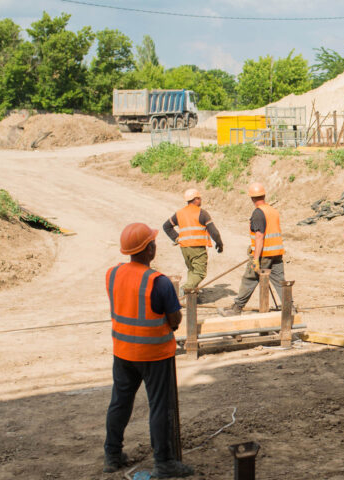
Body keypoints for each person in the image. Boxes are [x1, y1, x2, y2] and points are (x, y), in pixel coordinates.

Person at [104, 223, 193, 478]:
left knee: (120, 402)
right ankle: (163, 462)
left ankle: (112, 455)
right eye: (153, 242)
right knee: (159, 406)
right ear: (149, 249)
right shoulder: (159, 282)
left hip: (122, 352)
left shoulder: (112, 274)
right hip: (154, 354)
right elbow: (174, 319)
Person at [219, 182, 286, 316]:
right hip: (277, 253)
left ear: (252, 198)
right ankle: (290, 307)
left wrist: (255, 258)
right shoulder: (272, 211)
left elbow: (260, 236)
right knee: (281, 282)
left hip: (263, 254)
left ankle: (236, 308)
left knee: (249, 279)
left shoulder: (258, 213)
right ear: (264, 195)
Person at [162, 188, 223, 295]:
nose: (201, 200)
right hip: (197, 248)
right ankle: (182, 290)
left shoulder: (179, 213)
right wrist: (219, 243)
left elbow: (166, 226)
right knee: (200, 273)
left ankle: (192, 296)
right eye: (199, 198)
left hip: (184, 248)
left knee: (192, 270)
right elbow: (214, 232)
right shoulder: (202, 213)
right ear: (196, 199)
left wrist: (177, 238)